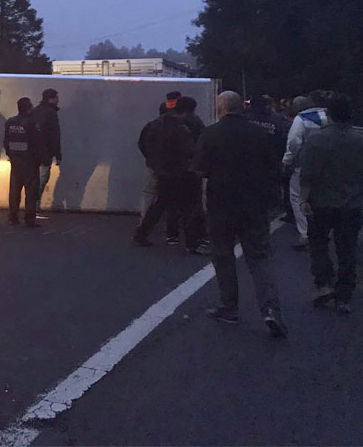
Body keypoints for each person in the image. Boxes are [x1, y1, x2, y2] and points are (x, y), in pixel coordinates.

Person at [194, 91, 286, 338]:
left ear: (221, 108)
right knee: (259, 257)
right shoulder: (260, 134)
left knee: (222, 255)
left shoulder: (210, 134)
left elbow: (199, 168)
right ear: (241, 108)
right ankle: (270, 310)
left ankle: (229, 307)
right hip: (254, 204)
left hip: (221, 204)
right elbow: (274, 168)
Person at [299, 94, 363, 315]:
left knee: (318, 242)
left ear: (329, 114)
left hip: (321, 202)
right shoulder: (360, 138)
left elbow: (308, 174)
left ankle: (323, 282)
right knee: (347, 248)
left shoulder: (317, 139)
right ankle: (344, 295)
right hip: (352, 203)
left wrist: (304, 199)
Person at [134, 98, 205, 254]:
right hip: (180, 171)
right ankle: (192, 244)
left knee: (159, 205)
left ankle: (141, 233)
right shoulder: (182, 128)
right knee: (189, 207)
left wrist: (153, 162)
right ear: (187, 111)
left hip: (162, 171)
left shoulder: (154, 124)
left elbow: (142, 144)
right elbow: (190, 151)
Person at [283, 91, 329, 250]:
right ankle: (326, 229)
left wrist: (287, 161)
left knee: (297, 196)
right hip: (328, 165)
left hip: (304, 165)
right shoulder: (329, 117)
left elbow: (294, 143)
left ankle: (305, 233)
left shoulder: (301, 119)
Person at [3, 97, 42, 227]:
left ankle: (12, 217)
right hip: (29, 162)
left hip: (15, 161)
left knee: (14, 190)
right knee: (30, 192)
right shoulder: (31, 123)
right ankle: (29, 219)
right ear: (28, 108)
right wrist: (39, 158)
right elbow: (37, 143)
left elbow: (6, 142)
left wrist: (11, 155)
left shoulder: (10, 122)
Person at [32, 88, 61, 217]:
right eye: (57, 97)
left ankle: (32, 206)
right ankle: (35, 208)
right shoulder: (51, 113)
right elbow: (55, 135)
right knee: (42, 178)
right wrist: (58, 154)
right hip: (46, 152)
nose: (58, 100)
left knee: (34, 179)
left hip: (33, 152)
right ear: (51, 98)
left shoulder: (36, 111)